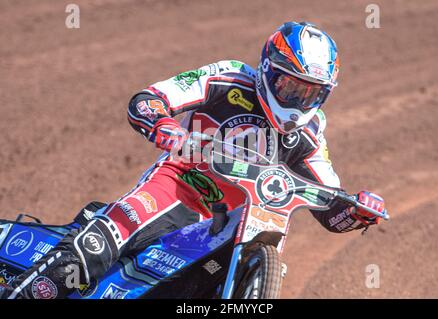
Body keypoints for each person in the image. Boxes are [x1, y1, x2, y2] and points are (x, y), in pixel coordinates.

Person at [2, 21, 386, 299]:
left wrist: (357, 210)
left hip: (241, 225)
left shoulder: (311, 131)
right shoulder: (230, 77)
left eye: (311, 93)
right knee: (102, 241)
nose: (299, 100)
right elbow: (148, 100)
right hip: (179, 187)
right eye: (291, 86)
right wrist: (165, 125)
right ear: (269, 71)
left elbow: (329, 200)